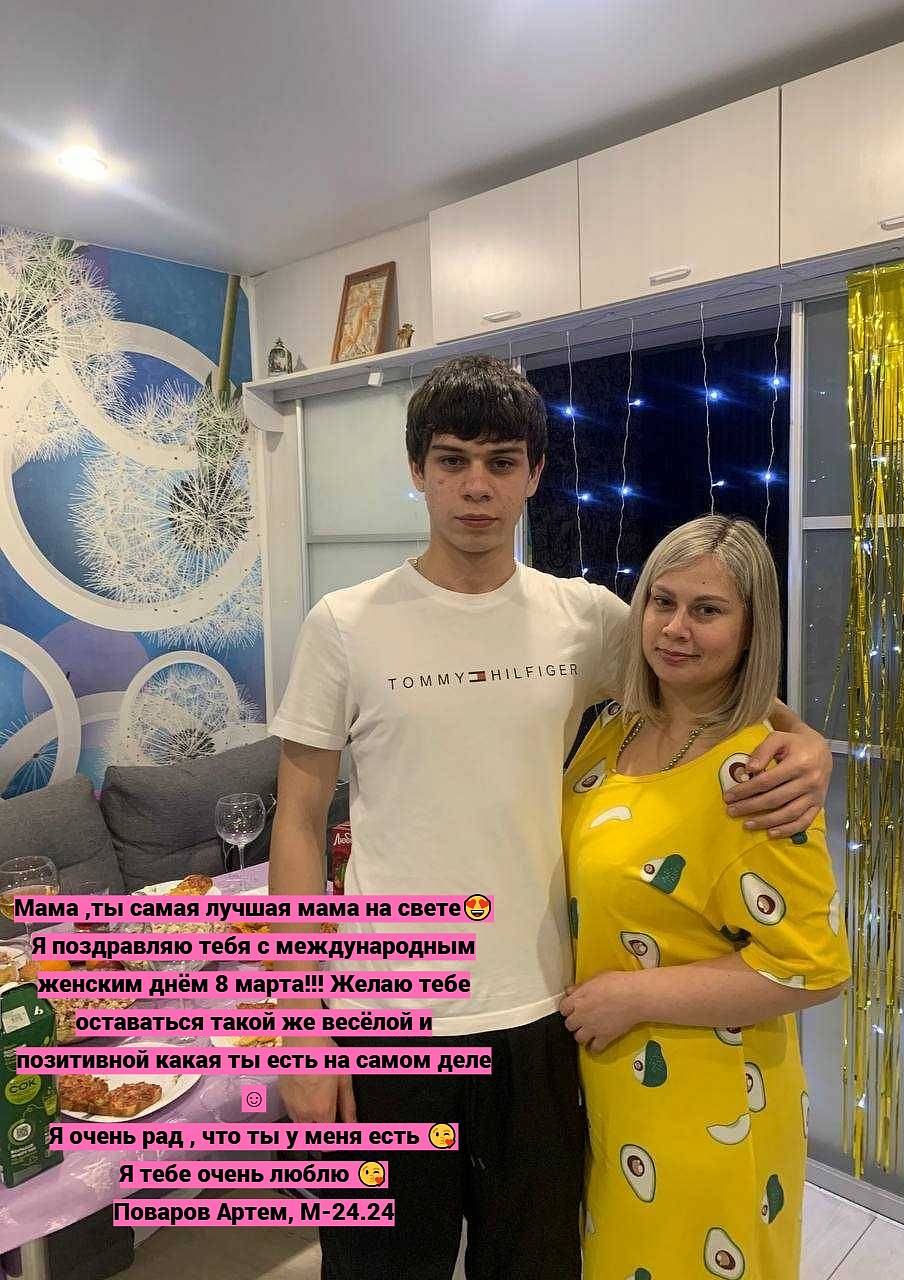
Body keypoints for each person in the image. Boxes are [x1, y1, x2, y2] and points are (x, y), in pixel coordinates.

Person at [267, 356, 833, 1280]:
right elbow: (296, 821)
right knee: (378, 1267)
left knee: (531, 1263)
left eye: (501, 461)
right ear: (417, 471)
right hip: (386, 1019)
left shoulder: (589, 619)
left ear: (534, 473)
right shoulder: (345, 624)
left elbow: (710, 683)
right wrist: (297, 1022)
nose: (476, 487)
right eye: (452, 460)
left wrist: (806, 742)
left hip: (547, 1016)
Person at [559, 515, 851, 1280]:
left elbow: (813, 968)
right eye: (662, 602)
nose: (675, 628)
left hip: (710, 1103)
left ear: (752, 631)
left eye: (708, 610)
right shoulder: (617, 731)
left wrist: (631, 995)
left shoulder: (760, 776)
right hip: (613, 1088)